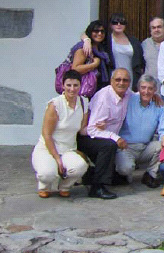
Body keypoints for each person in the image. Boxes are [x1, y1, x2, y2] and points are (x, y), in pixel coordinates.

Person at [77, 68, 133, 199]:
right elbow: (91, 129)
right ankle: (97, 187)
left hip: (104, 136)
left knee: (119, 178)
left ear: (129, 83)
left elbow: (138, 95)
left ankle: (90, 175)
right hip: (87, 137)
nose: (121, 83)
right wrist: (116, 138)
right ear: (111, 81)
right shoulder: (104, 98)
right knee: (108, 146)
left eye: (125, 80)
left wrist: (154, 96)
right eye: (117, 80)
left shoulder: (126, 93)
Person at [32, 70, 89, 198]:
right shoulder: (55, 105)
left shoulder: (84, 102)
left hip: (68, 149)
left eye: (76, 85)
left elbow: (82, 129)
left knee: (80, 166)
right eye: (68, 85)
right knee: (47, 173)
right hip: (47, 148)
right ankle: (44, 186)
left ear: (80, 86)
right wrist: (57, 159)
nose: (72, 89)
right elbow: (47, 134)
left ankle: (65, 186)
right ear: (63, 85)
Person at [115, 75, 164, 188]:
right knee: (125, 169)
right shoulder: (129, 99)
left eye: (150, 88)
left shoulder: (159, 105)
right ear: (138, 88)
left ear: (155, 90)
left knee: (163, 144)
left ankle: (150, 174)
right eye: (143, 87)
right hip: (126, 147)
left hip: (145, 147)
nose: (146, 91)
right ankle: (122, 173)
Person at [104, 13, 144, 87]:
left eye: (122, 22)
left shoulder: (134, 41)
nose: (119, 24)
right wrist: (86, 40)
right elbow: (89, 33)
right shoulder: (106, 40)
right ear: (110, 25)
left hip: (130, 77)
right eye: (115, 22)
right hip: (113, 77)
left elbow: (140, 62)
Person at [70, 20, 111, 93]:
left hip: (98, 88)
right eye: (96, 31)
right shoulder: (84, 48)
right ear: (90, 32)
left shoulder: (101, 48)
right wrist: (94, 64)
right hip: (85, 89)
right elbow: (75, 68)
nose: (99, 33)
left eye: (102, 31)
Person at [142, 17, 164, 81]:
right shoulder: (145, 44)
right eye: (153, 28)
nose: (156, 30)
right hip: (150, 87)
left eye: (159, 27)